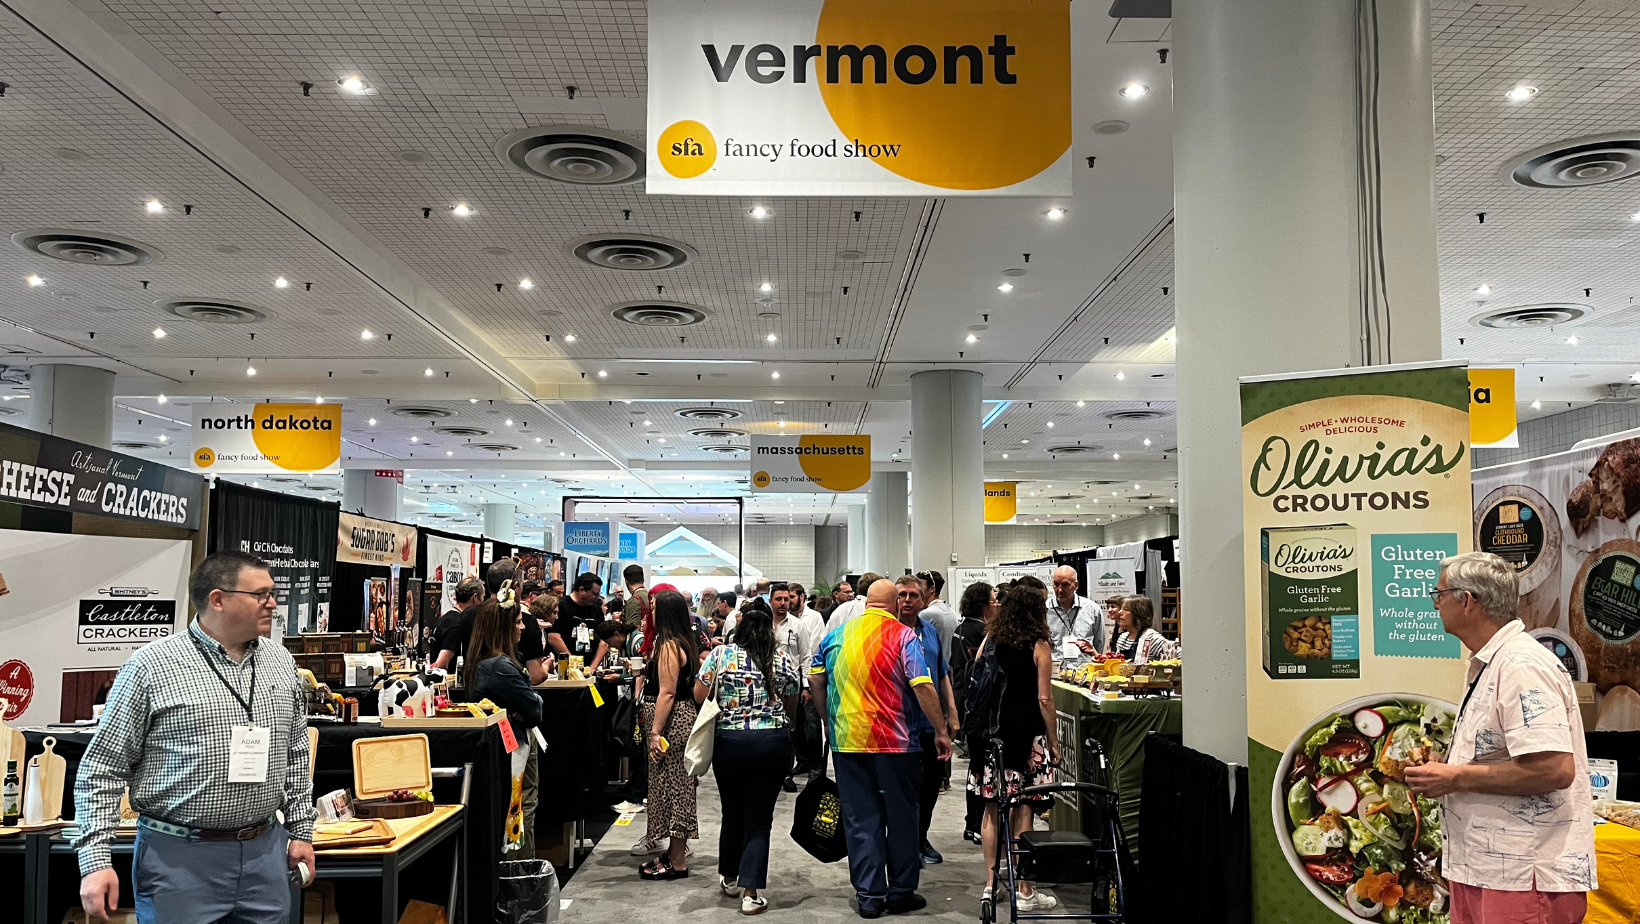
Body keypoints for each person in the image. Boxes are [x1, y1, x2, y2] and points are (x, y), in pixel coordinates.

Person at [75, 552, 315, 924]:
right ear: (218, 599)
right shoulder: (151, 667)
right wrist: (95, 862)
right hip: (178, 861)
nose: (273, 603)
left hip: (265, 856)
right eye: (262, 594)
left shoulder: (279, 661)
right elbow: (101, 769)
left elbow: (296, 752)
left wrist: (301, 831)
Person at [1405, 552, 1595, 924]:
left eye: (1439, 594)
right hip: (1486, 869)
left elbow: (1554, 770)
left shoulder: (1521, 666)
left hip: (1524, 878)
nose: (1435, 603)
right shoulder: (1492, 662)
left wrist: (1455, 777)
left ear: (1468, 600)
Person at [810, 579, 952, 918]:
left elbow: (815, 679)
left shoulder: (836, 636)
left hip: (846, 744)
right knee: (902, 818)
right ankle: (901, 892)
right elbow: (922, 685)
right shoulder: (903, 636)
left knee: (861, 820)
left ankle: (870, 898)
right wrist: (941, 730)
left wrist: (827, 719)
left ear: (867, 603)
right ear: (892, 603)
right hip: (896, 744)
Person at [696, 607, 801, 914]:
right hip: (772, 743)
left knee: (732, 812)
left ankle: (729, 877)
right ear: (770, 631)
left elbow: (699, 693)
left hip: (730, 742)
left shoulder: (720, 655)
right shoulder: (781, 659)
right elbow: (792, 701)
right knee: (758, 819)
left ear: (739, 628)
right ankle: (750, 893)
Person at [972, 577, 1061, 912]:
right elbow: (1045, 698)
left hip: (992, 734)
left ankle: (990, 884)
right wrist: (1053, 741)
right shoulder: (1039, 645)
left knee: (992, 808)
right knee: (1024, 808)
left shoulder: (991, 639)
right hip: (1026, 734)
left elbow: (977, 679)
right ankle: (1024, 889)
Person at [466, 582, 544, 856]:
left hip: (512, 742)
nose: (522, 628)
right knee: (520, 808)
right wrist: (525, 705)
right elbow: (535, 709)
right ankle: (521, 876)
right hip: (514, 745)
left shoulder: (487, 661)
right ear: (503, 627)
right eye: (519, 622)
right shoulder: (500, 666)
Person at [893, 575, 959, 864]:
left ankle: (920, 839)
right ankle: (902, 846)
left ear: (923, 599)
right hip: (897, 726)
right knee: (901, 792)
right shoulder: (888, 632)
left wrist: (952, 714)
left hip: (930, 726)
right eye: (902, 595)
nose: (907, 600)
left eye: (913, 596)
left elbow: (942, 672)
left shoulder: (929, 631)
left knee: (930, 788)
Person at [636, 590, 701, 875]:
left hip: (673, 725)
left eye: (653, 605)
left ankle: (677, 860)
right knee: (672, 788)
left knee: (677, 790)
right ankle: (673, 853)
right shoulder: (679, 641)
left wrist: (654, 733)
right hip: (676, 722)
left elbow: (667, 693)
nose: (649, 609)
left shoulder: (670, 646)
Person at [949, 581, 995, 842]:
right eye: (993, 601)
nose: (996, 605)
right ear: (983, 605)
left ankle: (972, 822)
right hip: (977, 704)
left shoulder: (960, 629)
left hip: (963, 698)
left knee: (975, 768)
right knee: (981, 768)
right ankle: (978, 823)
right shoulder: (983, 633)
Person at [767, 583, 822, 791]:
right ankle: (777, 772)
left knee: (798, 728)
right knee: (775, 731)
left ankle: (796, 770)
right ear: (771, 601)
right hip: (767, 687)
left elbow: (806, 657)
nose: (783, 603)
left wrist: (807, 687)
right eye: (779, 599)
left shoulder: (798, 626)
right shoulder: (764, 625)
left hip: (793, 686)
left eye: (786, 599)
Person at [489, 559, 551, 684]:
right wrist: (547, 666)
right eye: (517, 623)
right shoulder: (528, 621)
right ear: (516, 587)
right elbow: (536, 676)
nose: (521, 627)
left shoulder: (468, 616)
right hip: (511, 694)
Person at [1047, 565, 1103, 667]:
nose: (1059, 590)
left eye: (1065, 585)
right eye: (1056, 584)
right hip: (1054, 673)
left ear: (1076, 585)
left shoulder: (1092, 609)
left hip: (1084, 673)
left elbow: (1099, 644)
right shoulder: (1044, 610)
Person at [430, 576, 484, 671]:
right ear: (475, 597)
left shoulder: (446, 618)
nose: (483, 602)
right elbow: (440, 664)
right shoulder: (457, 624)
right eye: (483, 597)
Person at [551, 572, 604, 662]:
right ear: (582, 590)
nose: (597, 597)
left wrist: (593, 667)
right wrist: (572, 662)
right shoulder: (560, 606)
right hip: (565, 664)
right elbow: (553, 637)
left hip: (589, 665)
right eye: (594, 594)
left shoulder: (597, 610)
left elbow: (603, 640)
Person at [1109, 596, 1176, 663]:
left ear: (1138, 614)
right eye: (1121, 608)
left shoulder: (1151, 638)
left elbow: (1179, 655)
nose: (1120, 612)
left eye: (1126, 609)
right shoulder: (1123, 638)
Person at [622, 564, 651, 629]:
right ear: (643, 580)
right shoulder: (652, 597)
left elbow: (633, 630)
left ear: (626, 583)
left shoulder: (633, 601)